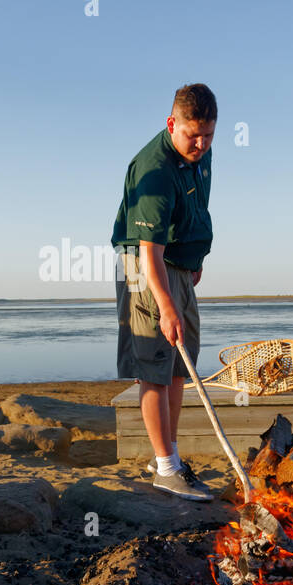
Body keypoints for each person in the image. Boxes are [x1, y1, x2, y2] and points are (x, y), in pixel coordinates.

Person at [111, 83, 217, 501]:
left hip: (179, 266)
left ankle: (167, 458)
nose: (202, 144)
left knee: (180, 366)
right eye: (193, 135)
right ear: (171, 123)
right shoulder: (153, 170)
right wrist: (167, 306)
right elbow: (147, 253)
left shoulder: (200, 156)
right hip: (146, 268)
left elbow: (194, 211)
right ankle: (165, 467)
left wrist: (195, 260)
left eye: (209, 135)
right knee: (155, 367)